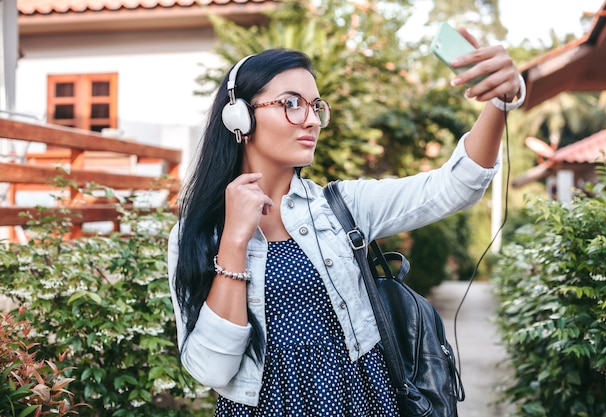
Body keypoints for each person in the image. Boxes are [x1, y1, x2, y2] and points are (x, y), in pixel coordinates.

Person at [168, 27, 523, 416]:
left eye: (316, 106)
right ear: (240, 117)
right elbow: (211, 369)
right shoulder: (195, 234)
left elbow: (455, 186)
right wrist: (234, 242)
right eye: (291, 103)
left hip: (360, 398)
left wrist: (499, 104)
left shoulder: (341, 206)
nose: (311, 120)